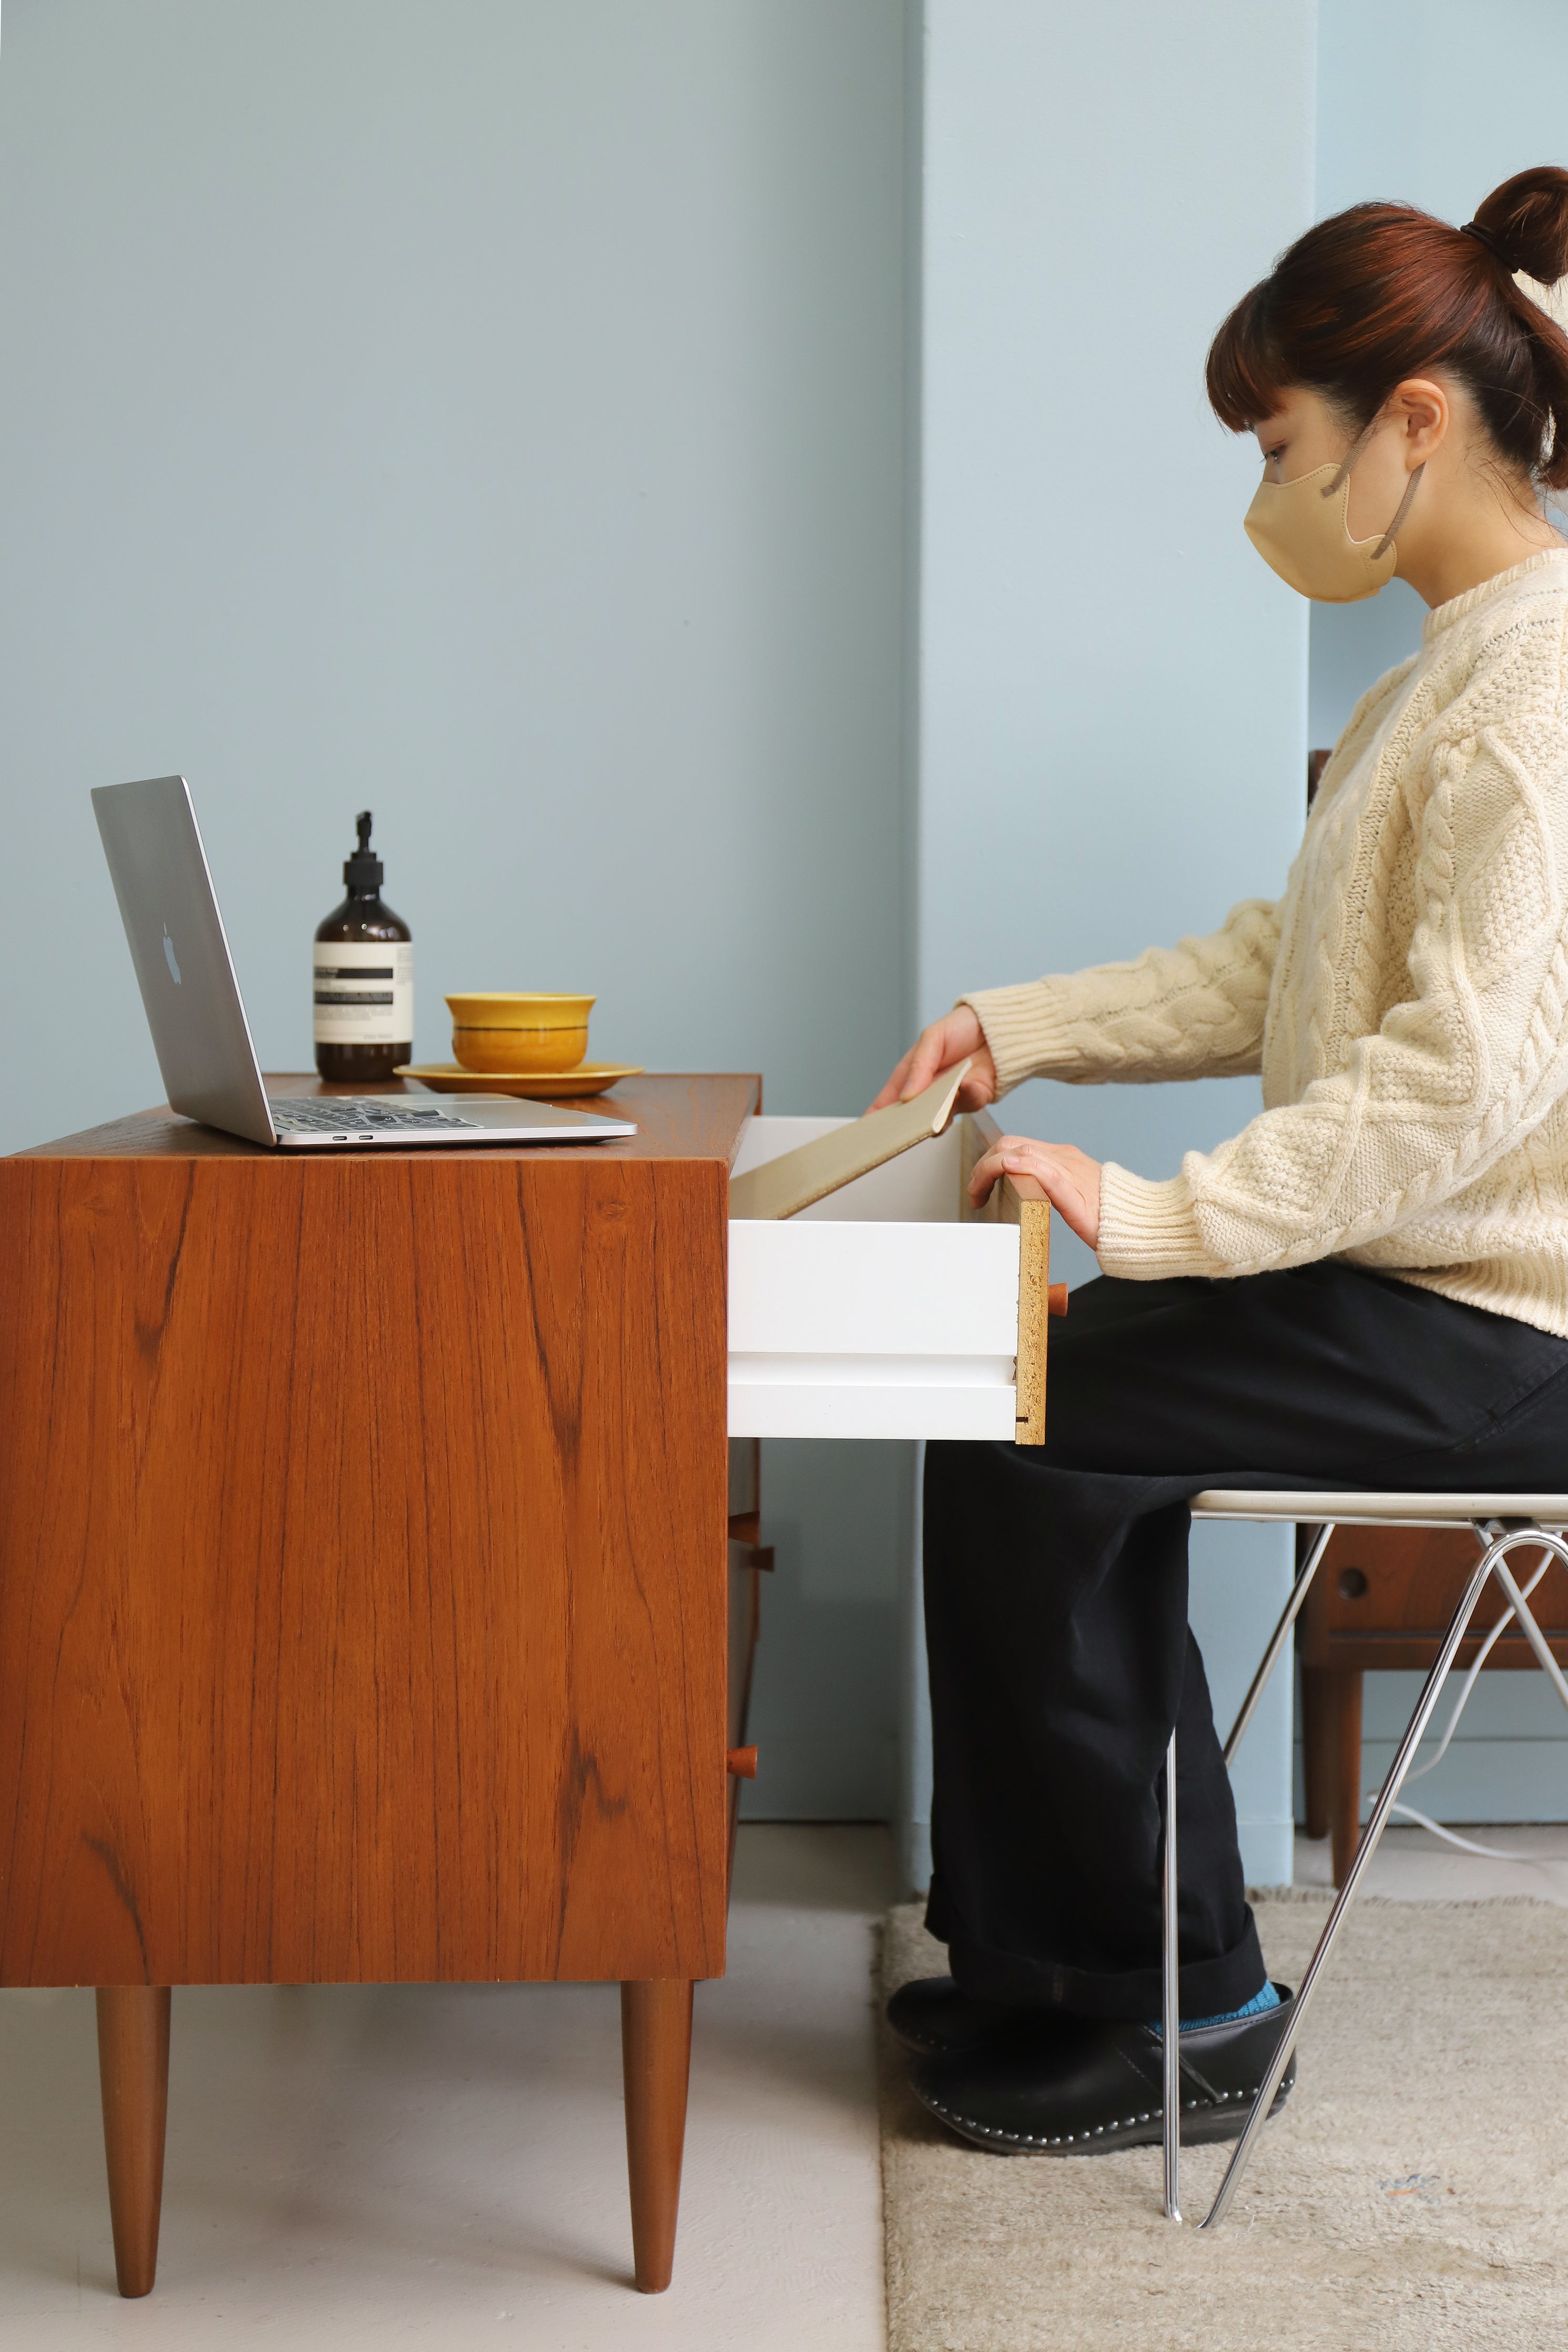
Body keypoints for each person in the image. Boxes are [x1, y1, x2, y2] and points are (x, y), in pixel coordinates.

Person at [873, 167, 1568, 2156]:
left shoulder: (1537, 687)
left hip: (1502, 1319)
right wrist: (1032, 1023)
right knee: (1028, 1401)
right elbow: (1292, 961)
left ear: (1411, 426)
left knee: (1046, 1411)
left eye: (1282, 446)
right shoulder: (1440, 669)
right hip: (1422, 1289)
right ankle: (1059, 1966)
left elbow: (1462, 1082)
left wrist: (1164, 1214)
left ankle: (1184, 2005)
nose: (1266, 494)